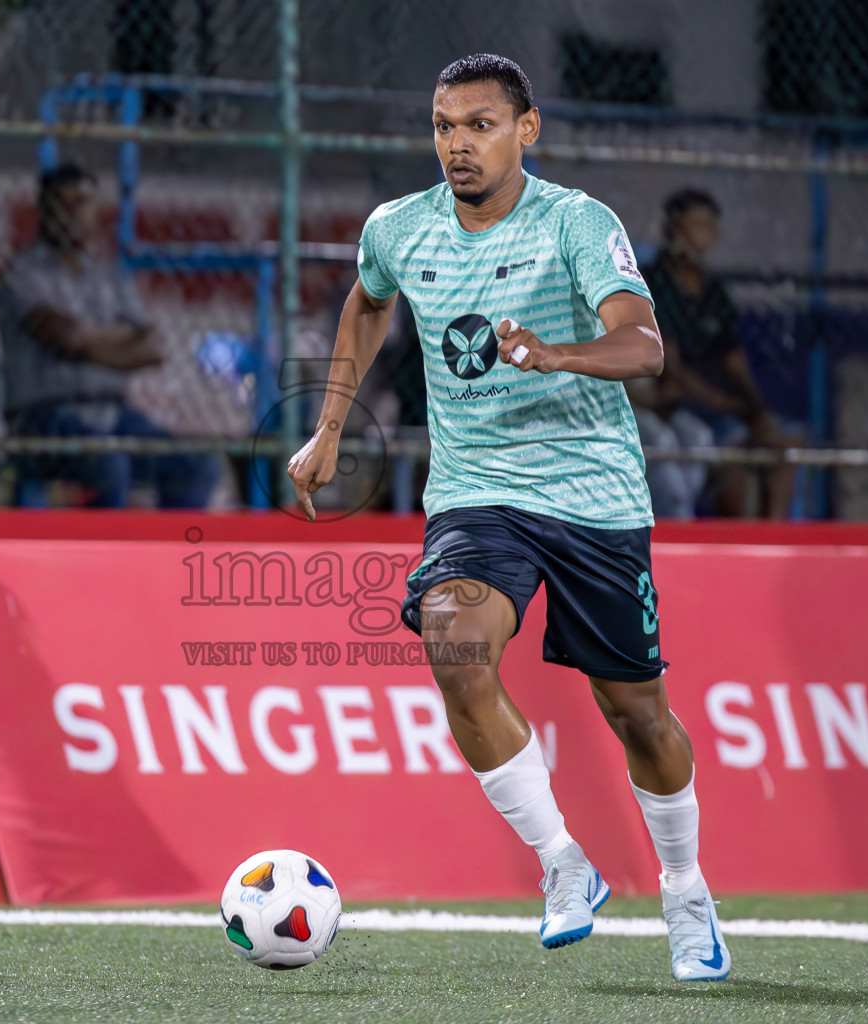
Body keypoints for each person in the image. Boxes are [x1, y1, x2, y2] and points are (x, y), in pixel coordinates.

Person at [287, 54, 730, 981]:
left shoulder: (577, 221)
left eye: (479, 125)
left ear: (526, 131)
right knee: (451, 641)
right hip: (475, 492)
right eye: (445, 126)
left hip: (594, 496)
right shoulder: (398, 228)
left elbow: (646, 346)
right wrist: (331, 426)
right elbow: (367, 306)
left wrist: (558, 352)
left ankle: (686, 892)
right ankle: (564, 864)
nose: (458, 144)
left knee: (638, 715)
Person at [0, 162, 219, 508]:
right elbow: (62, 337)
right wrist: (116, 339)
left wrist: (85, 339)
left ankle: (174, 559)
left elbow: (151, 349)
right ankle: (98, 559)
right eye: (63, 203)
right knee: (109, 464)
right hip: (44, 416)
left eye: (83, 203)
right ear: (44, 210)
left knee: (195, 464)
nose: (74, 214)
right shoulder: (24, 272)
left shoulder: (108, 276)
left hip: (111, 412)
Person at [642, 188, 795, 519]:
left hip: (720, 406)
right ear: (673, 231)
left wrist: (755, 409)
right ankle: (731, 544)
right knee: (726, 460)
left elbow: (734, 361)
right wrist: (726, 405)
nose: (703, 236)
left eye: (709, 227)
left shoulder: (713, 291)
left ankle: (773, 541)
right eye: (694, 226)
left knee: (780, 447)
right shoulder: (653, 284)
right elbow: (671, 369)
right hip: (680, 404)